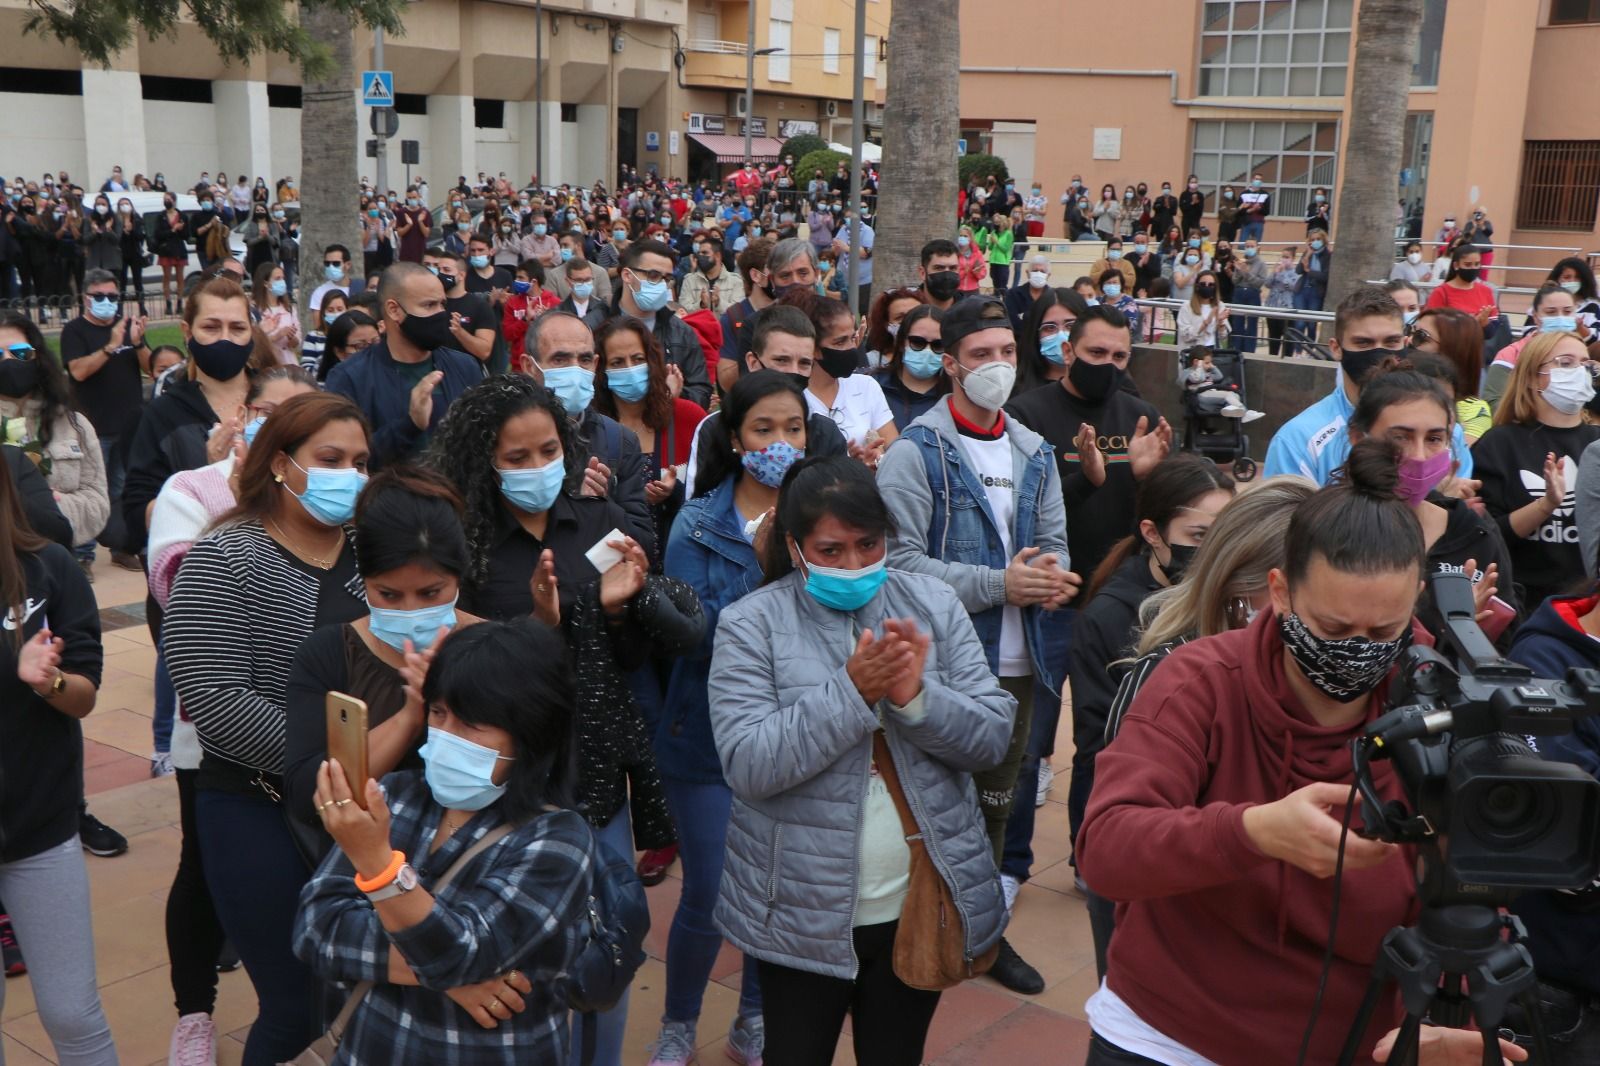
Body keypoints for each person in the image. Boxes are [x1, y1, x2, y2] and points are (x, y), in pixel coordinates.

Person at [1076, 443, 1525, 1066]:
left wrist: (1448, 1013)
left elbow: (1472, 894)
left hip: (1354, 1042)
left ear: (1415, 597)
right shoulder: (1199, 680)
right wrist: (1251, 831)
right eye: (1335, 629)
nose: (1358, 650)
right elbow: (1105, 848)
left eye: (1382, 632)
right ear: (1281, 592)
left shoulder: (1441, 706)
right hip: (1169, 1036)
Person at [425, 374, 703, 1066]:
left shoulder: (600, 522)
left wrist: (624, 607)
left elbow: (631, 657)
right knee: (511, 938)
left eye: (548, 450)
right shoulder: (463, 539)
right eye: (516, 458)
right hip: (498, 773)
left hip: (593, 766)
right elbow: (451, 664)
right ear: (483, 459)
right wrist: (542, 623)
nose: (536, 468)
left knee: (604, 937)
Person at [708, 454, 1013, 1066]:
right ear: (795, 548)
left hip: (916, 897)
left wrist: (918, 700)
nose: (854, 565)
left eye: (868, 545)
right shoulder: (750, 624)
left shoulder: (932, 601)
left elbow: (991, 738)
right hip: (797, 912)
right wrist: (851, 693)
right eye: (831, 550)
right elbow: (748, 764)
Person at [162, 392, 373, 1065]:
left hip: (369, 801)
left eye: (362, 461)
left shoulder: (375, 546)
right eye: (331, 459)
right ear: (281, 463)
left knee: (361, 985)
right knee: (296, 1002)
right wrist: (334, 759)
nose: (351, 475)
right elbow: (216, 699)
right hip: (259, 803)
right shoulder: (225, 556)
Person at [877, 296, 1079, 995]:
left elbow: (1052, 545)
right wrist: (1001, 583)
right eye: (982, 354)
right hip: (943, 661)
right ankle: (907, 932)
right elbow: (897, 567)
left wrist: (1052, 579)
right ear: (951, 364)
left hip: (1022, 661)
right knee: (928, 798)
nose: (997, 366)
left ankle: (979, 931)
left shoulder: (1034, 450)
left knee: (1000, 801)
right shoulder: (915, 452)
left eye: (1006, 353)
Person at [292, 618, 599, 1063]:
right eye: (438, 713)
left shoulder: (558, 840)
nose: (446, 737)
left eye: (472, 724)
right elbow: (315, 928)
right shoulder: (396, 796)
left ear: (533, 733)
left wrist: (378, 866)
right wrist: (445, 977)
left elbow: (462, 951)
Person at [146, 364, 319, 1063]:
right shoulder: (192, 489)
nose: (279, 428)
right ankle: (194, 1012)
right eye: (269, 413)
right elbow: (186, 586)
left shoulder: (327, 493)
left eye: (297, 420)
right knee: (205, 868)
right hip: (216, 735)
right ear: (248, 414)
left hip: (315, 727)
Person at [647, 371, 805, 1065]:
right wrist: (768, 567)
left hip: (792, 734)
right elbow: (695, 633)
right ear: (735, 439)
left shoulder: (820, 513)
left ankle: (754, 1016)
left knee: (774, 894)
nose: (780, 443)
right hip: (704, 733)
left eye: (792, 428)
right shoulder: (700, 521)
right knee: (710, 891)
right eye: (764, 430)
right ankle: (679, 1023)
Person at [1069, 454, 1234, 958]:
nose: (1214, 552)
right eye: (1200, 535)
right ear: (1153, 532)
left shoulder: (1227, 597)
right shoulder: (1109, 618)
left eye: (1225, 535)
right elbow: (1101, 744)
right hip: (1132, 818)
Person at [283, 465, 476, 864]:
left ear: (458, 577)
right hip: (363, 872)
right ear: (363, 580)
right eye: (388, 594)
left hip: (475, 867)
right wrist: (410, 715)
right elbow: (308, 796)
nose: (412, 610)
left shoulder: (494, 650)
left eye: (431, 592)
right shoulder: (329, 655)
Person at [0, 452, 118, 1063]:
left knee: (72, 1012)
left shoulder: (47, 570)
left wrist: (47, 682)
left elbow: (85, 695)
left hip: (40, 829)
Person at [1263, 286, 1474, 485]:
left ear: (1405, 344)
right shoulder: (1297, 441)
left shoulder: (1443, 431)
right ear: (1336, 348)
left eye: (1391, 342)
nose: (1379, 353)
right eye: (1364, 343)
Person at [1473, 329, 1600, 609]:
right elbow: (1488, 534)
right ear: (1532, 377)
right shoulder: (1499, 443)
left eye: (1586, 364)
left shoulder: (1596, 445)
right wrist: (1546, 505)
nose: (1579, 372)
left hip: (1588, 606)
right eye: (1566, 363)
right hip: (1523, 602)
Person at [519, 311, 657, 558]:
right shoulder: (506, 439)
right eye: (560, 359)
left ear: (594, 364)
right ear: (530, 366)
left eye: (583, 360)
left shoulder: (619, 441)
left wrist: (601, 508)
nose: (575, 371)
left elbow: (643, 543)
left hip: (600, 587)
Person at [326, 262, 486, 470]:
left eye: (442, 304)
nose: (440, 314)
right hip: (386, 498)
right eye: (429, 305)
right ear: (393, 310)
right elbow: (346, 461)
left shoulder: (465, 367)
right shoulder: (349, 378)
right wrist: (410, 424)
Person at [686, 304, 849, 499]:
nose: (794, 372)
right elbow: (697, 510)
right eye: (782, 360)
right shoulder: (714, 428)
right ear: (753, 363)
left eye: (804, 363)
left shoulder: (826, 432)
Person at [0, 312, 109, 582]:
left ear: (37, 356)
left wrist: (50, 510)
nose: (8, 362)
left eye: (20, 352)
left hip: (58, 569)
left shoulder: (74, 425)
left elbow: (98, 502)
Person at [591, 316, 706, 552]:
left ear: (652, 362)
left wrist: (675, 493)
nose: (630, 369)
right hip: (613, 563)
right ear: (601, 370)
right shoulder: (591, 429)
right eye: (617, 362)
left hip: (681, 557)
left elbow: (711, 495)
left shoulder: (688, 418)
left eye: (637, 359)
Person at [60, 268, 149, 569]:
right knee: (87, 491)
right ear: (86, 299)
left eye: (112, 296)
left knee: (123, 491)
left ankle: (123, 547)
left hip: (128, 426)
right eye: (99, 296)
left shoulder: (126, 327)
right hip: (92, 427)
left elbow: (152, 368)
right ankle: (83, 556)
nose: (107, 302)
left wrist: (137, 342)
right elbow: (78, 371)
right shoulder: (74, 331)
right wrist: (110, 346)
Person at [785, 290, 896, 456]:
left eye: (852, 338)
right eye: (840, 342)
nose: (852, 348)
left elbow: (895, 448)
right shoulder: (793, 397)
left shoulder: (866, 386)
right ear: (813, 348)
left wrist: (878, 458)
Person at [608, 238, 712, 409]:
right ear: (627, 275)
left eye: (667, 278)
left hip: (665, 429)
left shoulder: (681, 332)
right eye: (653, 275)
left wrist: (673, 394)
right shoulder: (596, 326)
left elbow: (701, 393)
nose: (662, 284)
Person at [1483, 283, 1578, 412]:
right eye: (1551, 312)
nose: (1560, 317)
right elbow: (1494, 403)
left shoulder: (1582, 355)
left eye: (1567, 312)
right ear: (1535, 316)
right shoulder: (1511, 355)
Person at [1408, 306, 1492, 442]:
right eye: (1409, 331)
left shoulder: (1475, 411)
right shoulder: (1389, 388)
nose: (1408, 340)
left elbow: (1457, 457)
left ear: (1452, 349)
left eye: (1420, 336)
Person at [873, 305, 948, 429]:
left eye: (938, 345)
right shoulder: (874, 385)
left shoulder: (954, 397)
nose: (927, 351)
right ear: (902, 342)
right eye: (918, 342)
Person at [1013, 287, 1087, 397]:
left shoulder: (1103, 387)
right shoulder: (1016, 393)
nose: (1062, 336)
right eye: (1050, 328)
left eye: (1071, 326)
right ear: (1036, 333)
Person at [430, 249, 499, 366]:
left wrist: (459, 332)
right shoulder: (430, 303)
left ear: (461, 275)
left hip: (466, 375)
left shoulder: (479, 306)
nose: (440, 274)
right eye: (438, 270)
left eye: (446, 270)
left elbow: (484, 351)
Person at [1424, 243, 1498, 337]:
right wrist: (1470, 323)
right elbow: (1431, 326)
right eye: (1467, 264)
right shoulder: (1441, 292)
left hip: (1477, 349)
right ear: (1456, 265)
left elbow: (1492, 331)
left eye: (1477, 264)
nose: (1473, 268)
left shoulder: (1486, 291)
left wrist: (1484, 323)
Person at [501, 259, 561, 359]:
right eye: (516, 277)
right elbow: (507, 335)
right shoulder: (512, 302)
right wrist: (525, 320)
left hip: (547, 361)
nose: (516, 280)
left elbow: (560, 335)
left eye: (521, 278)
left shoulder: (555, 303)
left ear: (533, 281)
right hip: (519, 363)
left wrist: (546, 320)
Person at [678, 232, 744, 317]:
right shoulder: (689, 280)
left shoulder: (735, 281)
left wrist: (719, 303)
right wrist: (701, 305)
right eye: (699, 253)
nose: (700, 256)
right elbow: (683, 311)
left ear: (717, 256)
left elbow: (738, 313)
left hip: (724, 329)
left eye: (704, 253)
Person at [863, 285, 925, 370]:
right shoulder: (870, 362)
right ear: (886, 324)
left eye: (915, 315)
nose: (909, 321)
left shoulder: (937, 358)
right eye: (900, 318)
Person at [251, 262, 301, 366]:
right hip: (266, 365)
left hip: (289, 363)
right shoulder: (255, 311)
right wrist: (278, 335)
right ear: (265, 283)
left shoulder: (289, 309)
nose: (282, 282)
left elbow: (295, 344)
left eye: (283, 278)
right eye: (277, 279)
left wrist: (292, 337)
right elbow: (253, 343)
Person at [1291, 229, 1332, 353]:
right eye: (1312, 240)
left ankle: (1310, 350)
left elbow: (1325, 276)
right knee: (1300, 324)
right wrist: (1308, 255)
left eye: (1318, 239)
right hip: (1302, 291)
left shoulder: (1328, 256)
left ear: (1323, 240)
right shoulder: (1307, 253)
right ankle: (1297, 351)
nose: (1315, 242)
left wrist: (1309, 271)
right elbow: (1298, 271)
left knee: (1311, 324)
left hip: (1316, 293)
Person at [1545, 256, 1600, 341]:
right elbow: (1528, 331)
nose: (1572, 281)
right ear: (1557, 279)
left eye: (1577, 277)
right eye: (1567, 277)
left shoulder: (1592, 306)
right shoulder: (1543, 302)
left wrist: (1580, 328)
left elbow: (1597, 338)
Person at [1176, 268, 1227, 352]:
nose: (1207, 287)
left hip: (1212, 352)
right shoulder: (1186, 307)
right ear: (1197, 286)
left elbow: (1223, 337)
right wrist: (1205, 323)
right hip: (1192, 352)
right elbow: (1185, 336)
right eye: (1203, 284)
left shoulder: (1220, 306)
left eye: (1211, 285)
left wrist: (1221, 323)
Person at [1265, 245, 1300, 356]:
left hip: (1287, 309)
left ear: (1293, 259)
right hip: (1273, 308)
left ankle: (1288, 360)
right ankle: (1272, 359)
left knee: (1288, 341)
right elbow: (1267, 284)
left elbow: (1291, 286)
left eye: (1287, 257)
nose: (1284, 259)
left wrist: (1282, 274)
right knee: (1273, 339)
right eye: (1282, 256)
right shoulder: (1277, 270)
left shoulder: (1296, 273)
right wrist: (1274, 272)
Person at [1005, 253, 1054, 332]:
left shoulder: (1054, 297)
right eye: (1035, 271)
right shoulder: (1013, 295)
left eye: (1042, 271)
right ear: (1027, 273)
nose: (1038, 274)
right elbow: (1011, 321)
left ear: (1048, 275)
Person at [311, 244, 363, 312]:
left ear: (348, 265)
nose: (330, 267)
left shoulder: (362, 287)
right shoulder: (319, 293)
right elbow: (318, 322)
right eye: (327, 263)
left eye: (336, 263)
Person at [917, 239, 963, 310]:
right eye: (939, 268)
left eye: (953, 268)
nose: (947, 276)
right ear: (922, 273)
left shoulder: (971, 310)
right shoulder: (908, 309)